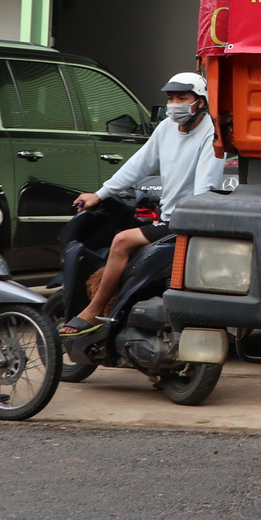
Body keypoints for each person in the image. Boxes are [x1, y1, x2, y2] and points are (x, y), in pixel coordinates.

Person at [61, 72, 222, 337]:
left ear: (201, 102)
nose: (175, 104)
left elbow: (206, 185)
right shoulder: (167, 127)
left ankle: (94, 310)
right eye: (171, 98)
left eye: (183, 98)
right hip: (168, 219)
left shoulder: (211, 133)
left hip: (188, 222)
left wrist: (193, 219)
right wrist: (100, 194)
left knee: (121, 241)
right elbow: (138, 165)